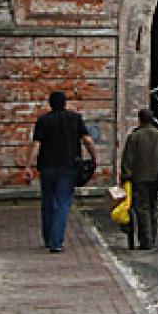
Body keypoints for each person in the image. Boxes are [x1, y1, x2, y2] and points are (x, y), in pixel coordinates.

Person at [24, 90, 97, 253]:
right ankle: (56, 242)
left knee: (47, 202)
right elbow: (87, 140)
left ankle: (48, 237)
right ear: (65, 103)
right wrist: (94, 158)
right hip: (68, 167)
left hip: (47, 167)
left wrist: (28, 166)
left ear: (50, 104)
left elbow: (36, 144)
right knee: (62, 203)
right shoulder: (75, 119)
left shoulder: (43, 120)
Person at [120, 108, 158, 250]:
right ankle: (152, 238)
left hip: (139, 179)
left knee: (141, 209)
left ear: (140, 119)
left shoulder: (134, 137)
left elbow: (127, 160)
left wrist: (124, 178)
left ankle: (146, 240)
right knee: (152, 208)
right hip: (156, 179)